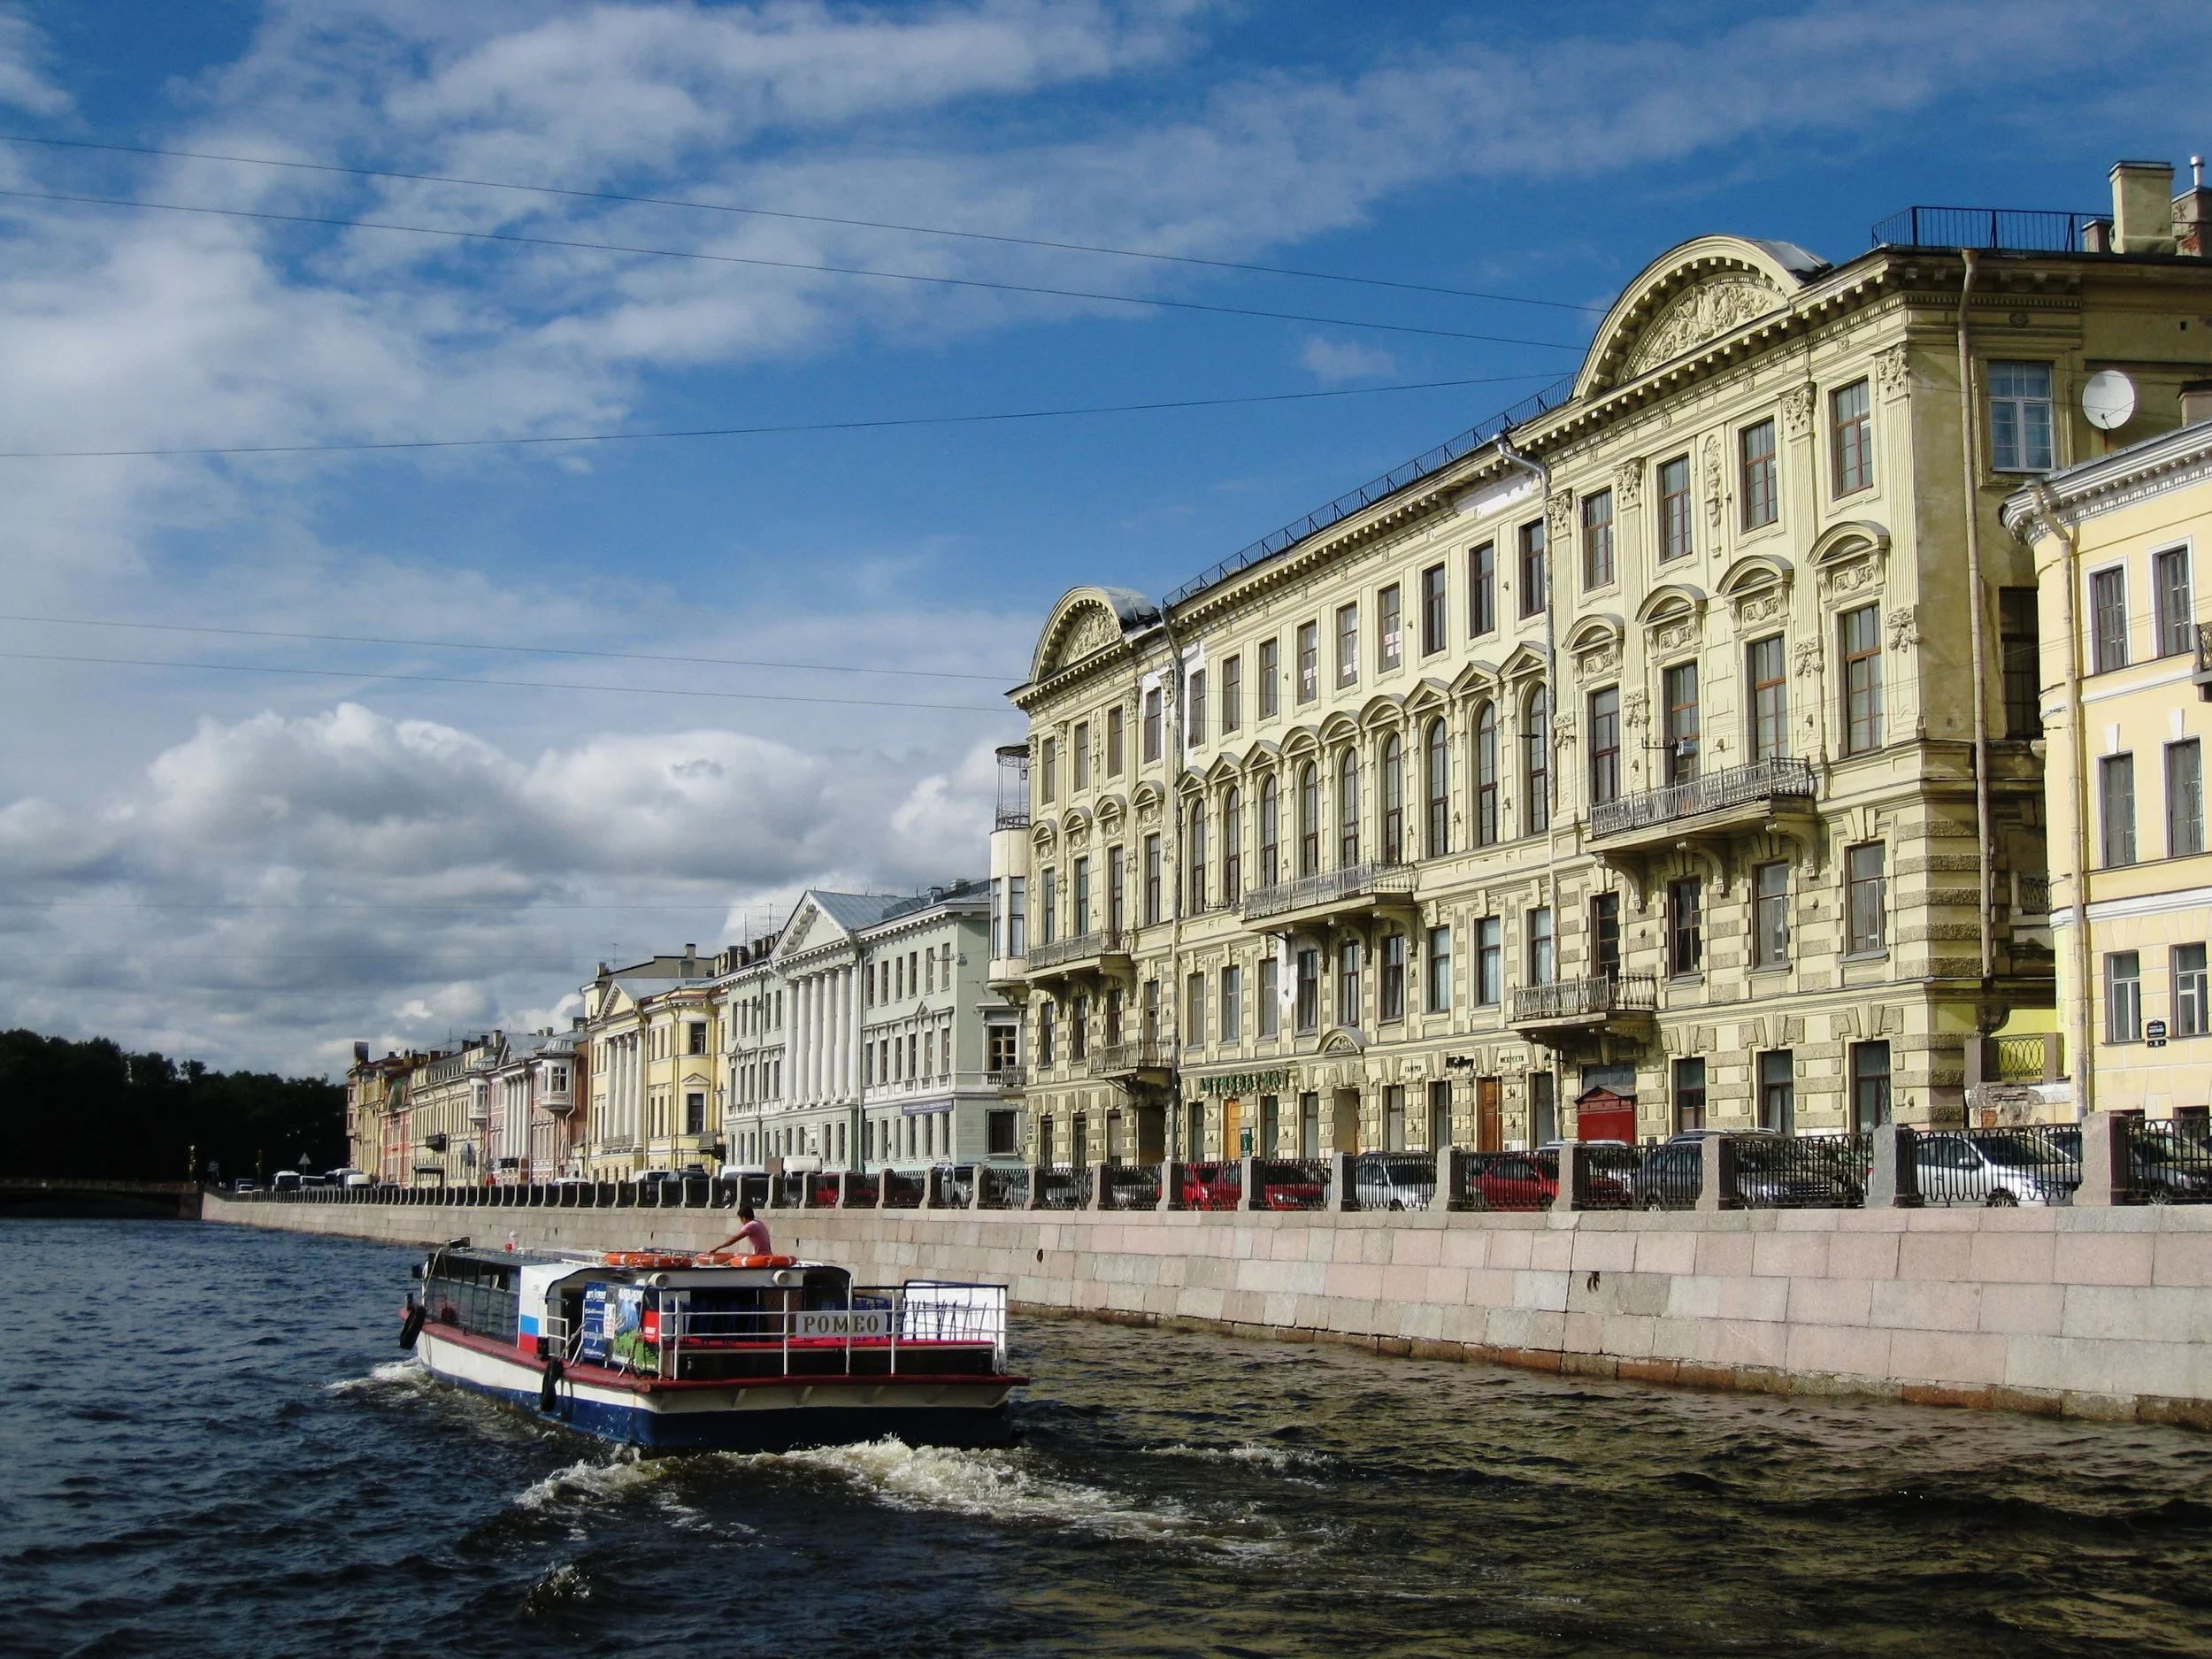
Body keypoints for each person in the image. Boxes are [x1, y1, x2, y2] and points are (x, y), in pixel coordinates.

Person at [707, 1204, 772, 1257]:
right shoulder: (758, 1223)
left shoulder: (750, 1225)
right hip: (767, 1254)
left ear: (743, 1218)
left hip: (761, 1256)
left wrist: (717, 1248)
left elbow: (733, 1240)